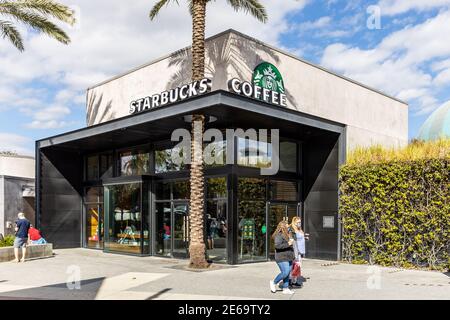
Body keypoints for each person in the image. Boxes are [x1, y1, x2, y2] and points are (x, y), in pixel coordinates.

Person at [269, 220, 295, 295]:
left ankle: (285, 288)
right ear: (283, 226)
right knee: (285, 272)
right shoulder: (278, 235)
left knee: (287, 273)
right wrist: (288, 243)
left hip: (289, 256)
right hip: (281, 257)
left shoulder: (287, 234)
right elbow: (277, 246)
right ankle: (273, 282)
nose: (289, 227)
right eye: (287, 226)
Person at [289, 216, 309, 288]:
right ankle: (290, 280)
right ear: (294, 222)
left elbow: (300, 238)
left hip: (300, 251)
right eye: (298, 222)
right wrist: (295, 252)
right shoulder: (292, 230)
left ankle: (294, 280)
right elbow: (293, 240)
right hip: (296, 251)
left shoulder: (299, 229)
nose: (299, 223)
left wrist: (305, 238)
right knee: (295, 266)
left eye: (300, 222)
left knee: (298, 266)